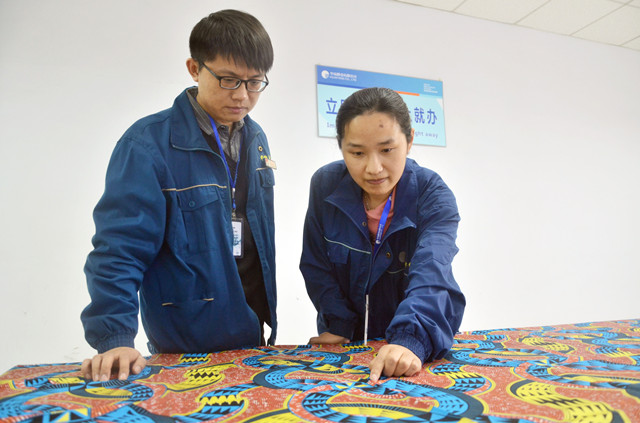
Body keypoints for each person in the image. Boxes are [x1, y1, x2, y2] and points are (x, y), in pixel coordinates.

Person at [81, 10, 277, 382]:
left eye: (255, 82)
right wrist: (115, 338)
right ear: (194, 68)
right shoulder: (147, 144)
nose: (242, 95)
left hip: (253, 336)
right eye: (228, 79)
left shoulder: (256, 138)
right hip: (184, 346)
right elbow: (119, 249)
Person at [300, 87, 465, 382]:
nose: (373, 168)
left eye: (387, 150)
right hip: (345, 345)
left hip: (415, 345)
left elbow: (432, 271)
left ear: (410, 140)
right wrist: (338, 324)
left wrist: (409, 339)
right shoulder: (325, 185)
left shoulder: (433, 196)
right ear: (341, 147)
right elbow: (316, 264)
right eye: (357, 153)